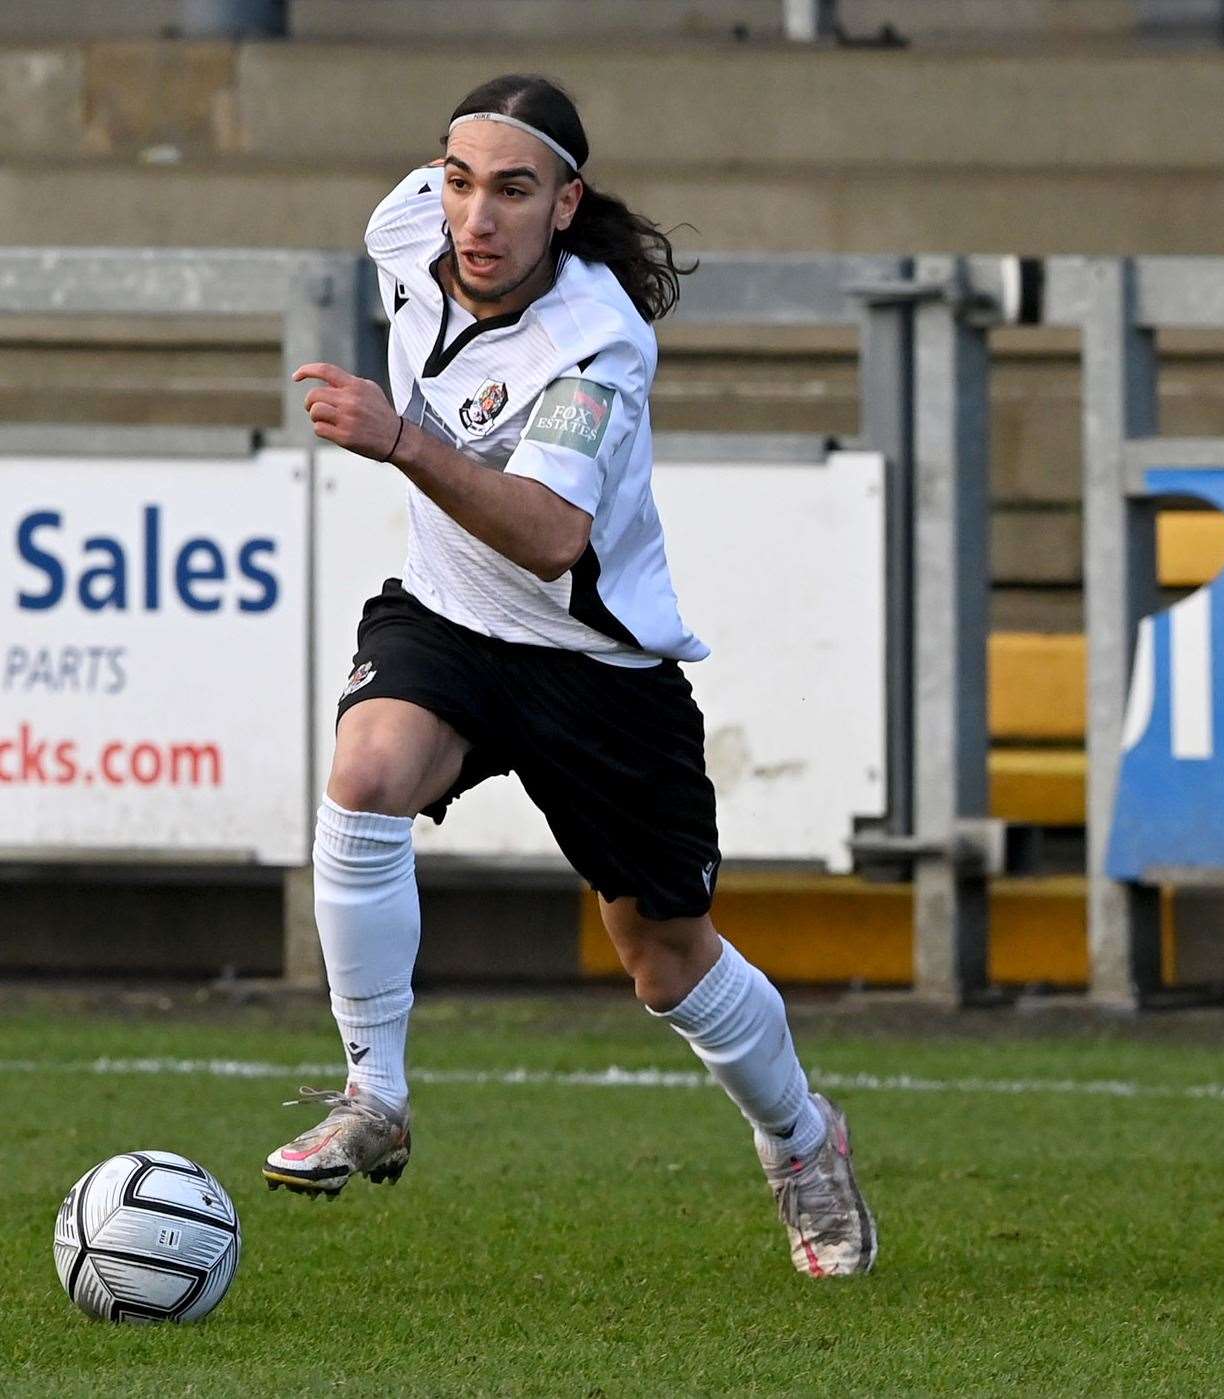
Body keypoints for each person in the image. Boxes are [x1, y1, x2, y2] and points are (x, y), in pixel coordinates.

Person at [260, 73, 877, 1278]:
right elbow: (423, 233)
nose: (474, 217)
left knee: (665, 957)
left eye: (511, 190)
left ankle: (801, 1139)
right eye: (458, 181)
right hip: (446, 616)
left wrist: (401, 438)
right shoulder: (407, 230)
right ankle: (372, 1093)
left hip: (595, 664)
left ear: (565, 204)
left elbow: (549, 534)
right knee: (366, 771)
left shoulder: (599, 342)